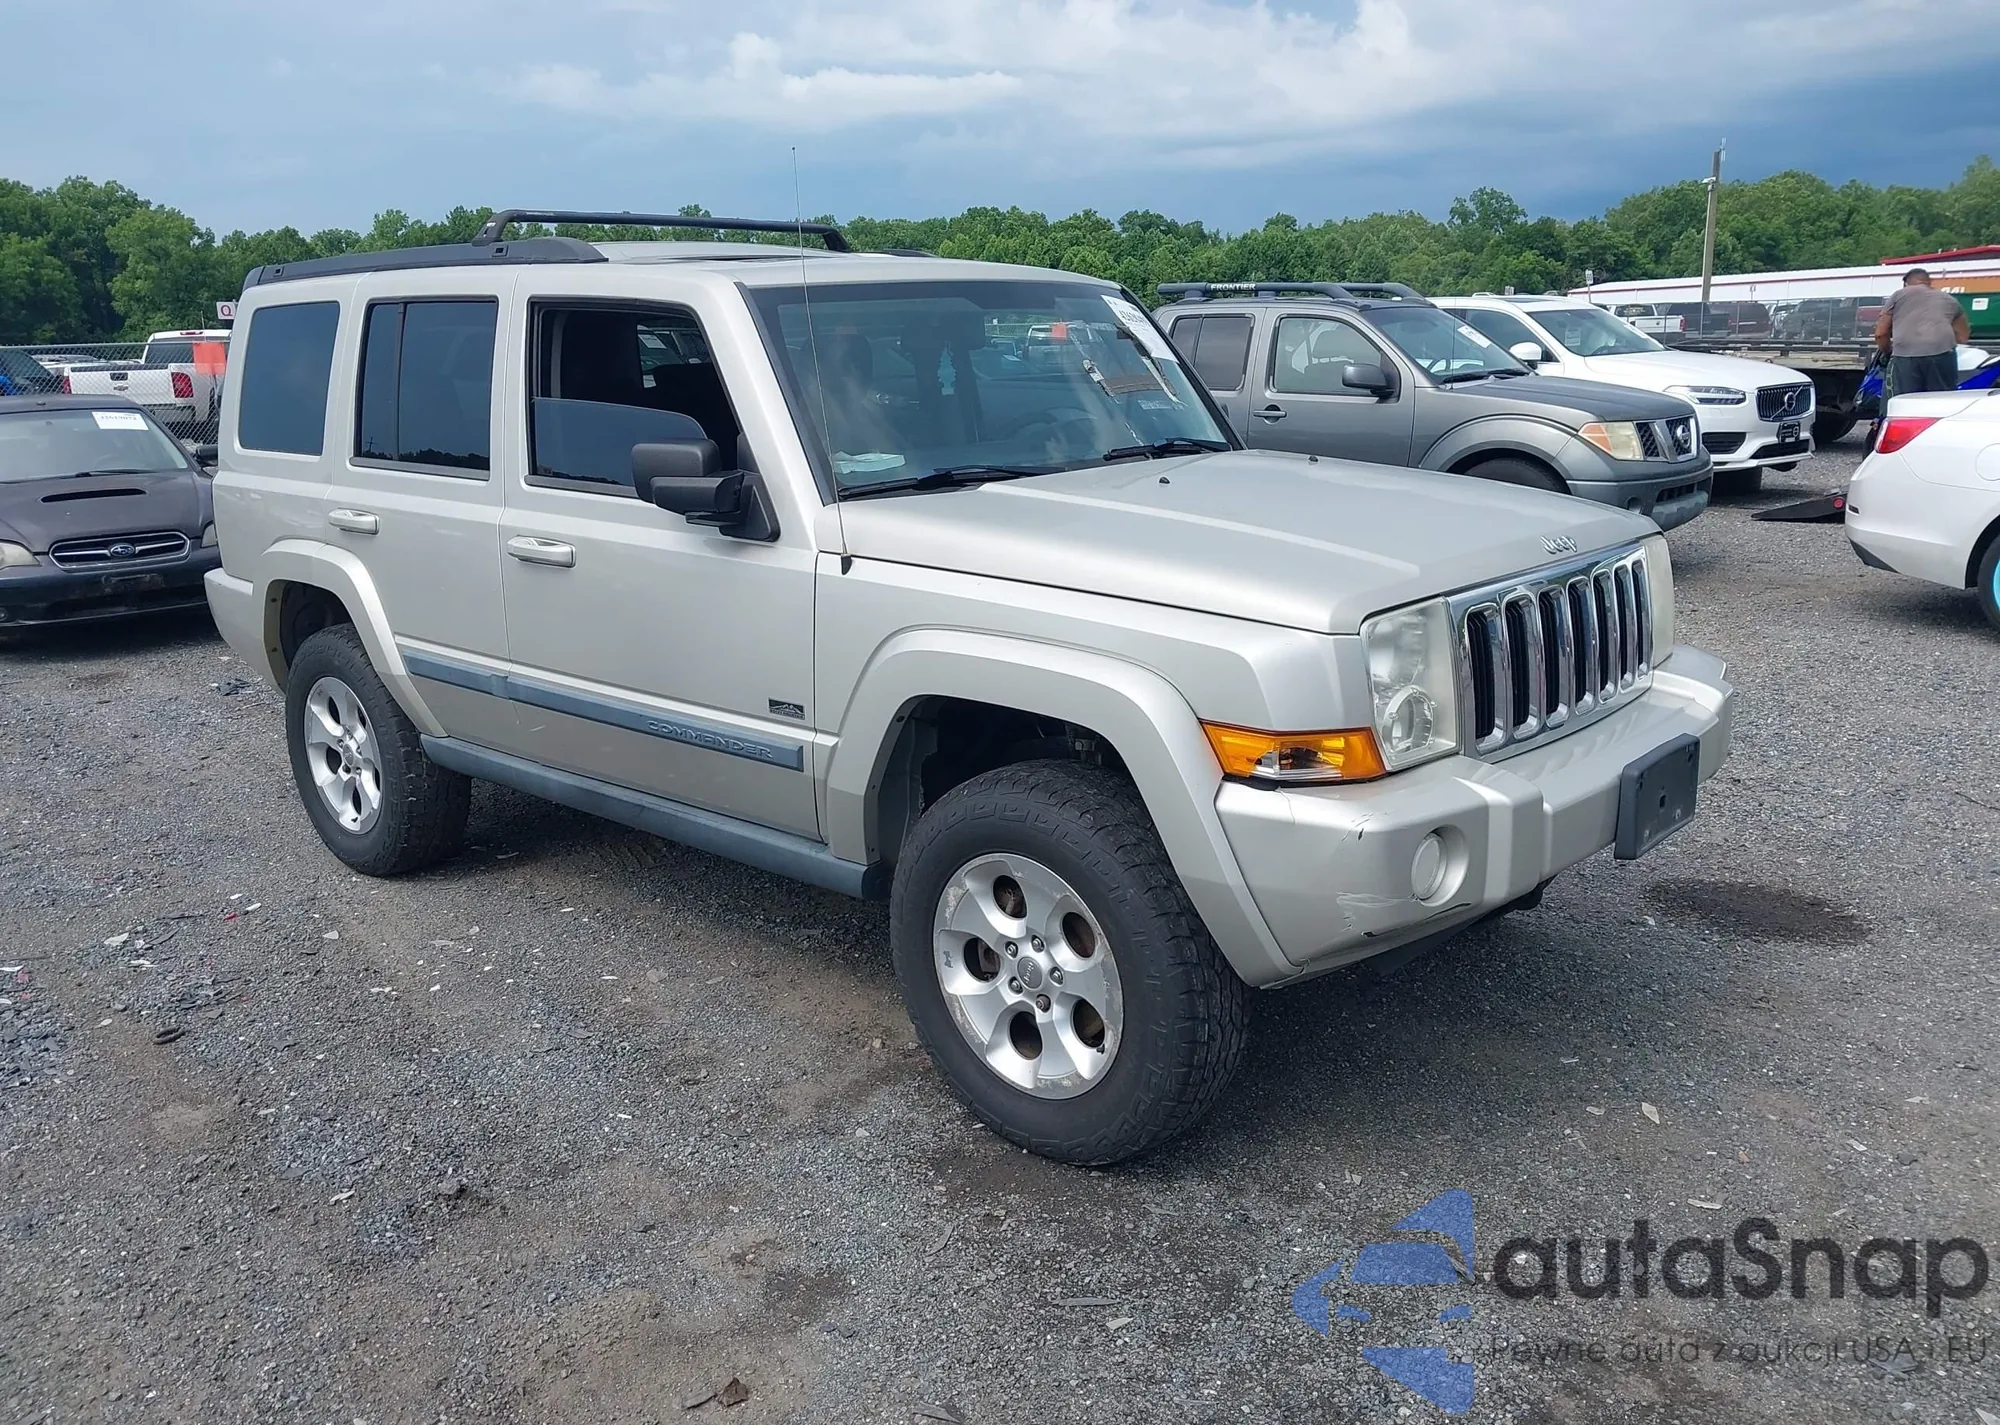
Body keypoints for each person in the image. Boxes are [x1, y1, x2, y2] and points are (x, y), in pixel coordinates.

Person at [1875, 268, 1971, 398]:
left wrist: (1887, 353)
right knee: (1943, 399)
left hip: (1905, 356)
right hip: (1943, 355)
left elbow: (1881, 333)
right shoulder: (1949, 299)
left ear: (1906, 283)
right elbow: (1963, 337)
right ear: (1929, 282)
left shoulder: (1898, 295)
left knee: (1904, 401)